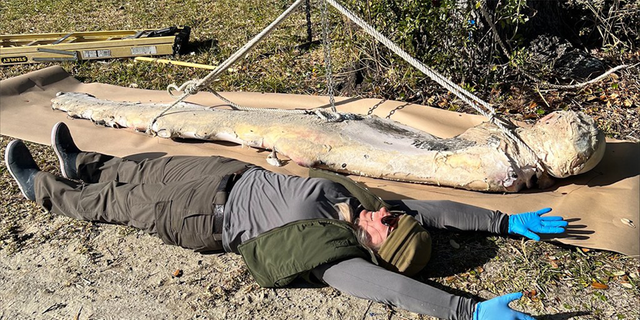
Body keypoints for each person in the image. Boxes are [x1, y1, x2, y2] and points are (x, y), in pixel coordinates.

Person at [4, 122, 569, 320]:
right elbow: (439, 212)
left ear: (375, 248)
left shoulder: (338, 261)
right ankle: (85, 163)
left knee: (119, 204)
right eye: (392, 215)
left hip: (206, 216)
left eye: (383, 226)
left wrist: (465, 311)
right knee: (148, 165)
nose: (382, 213)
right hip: (224, 175)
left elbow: (396, 291)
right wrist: (503, 224)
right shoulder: (373, 211)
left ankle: (45, 191)